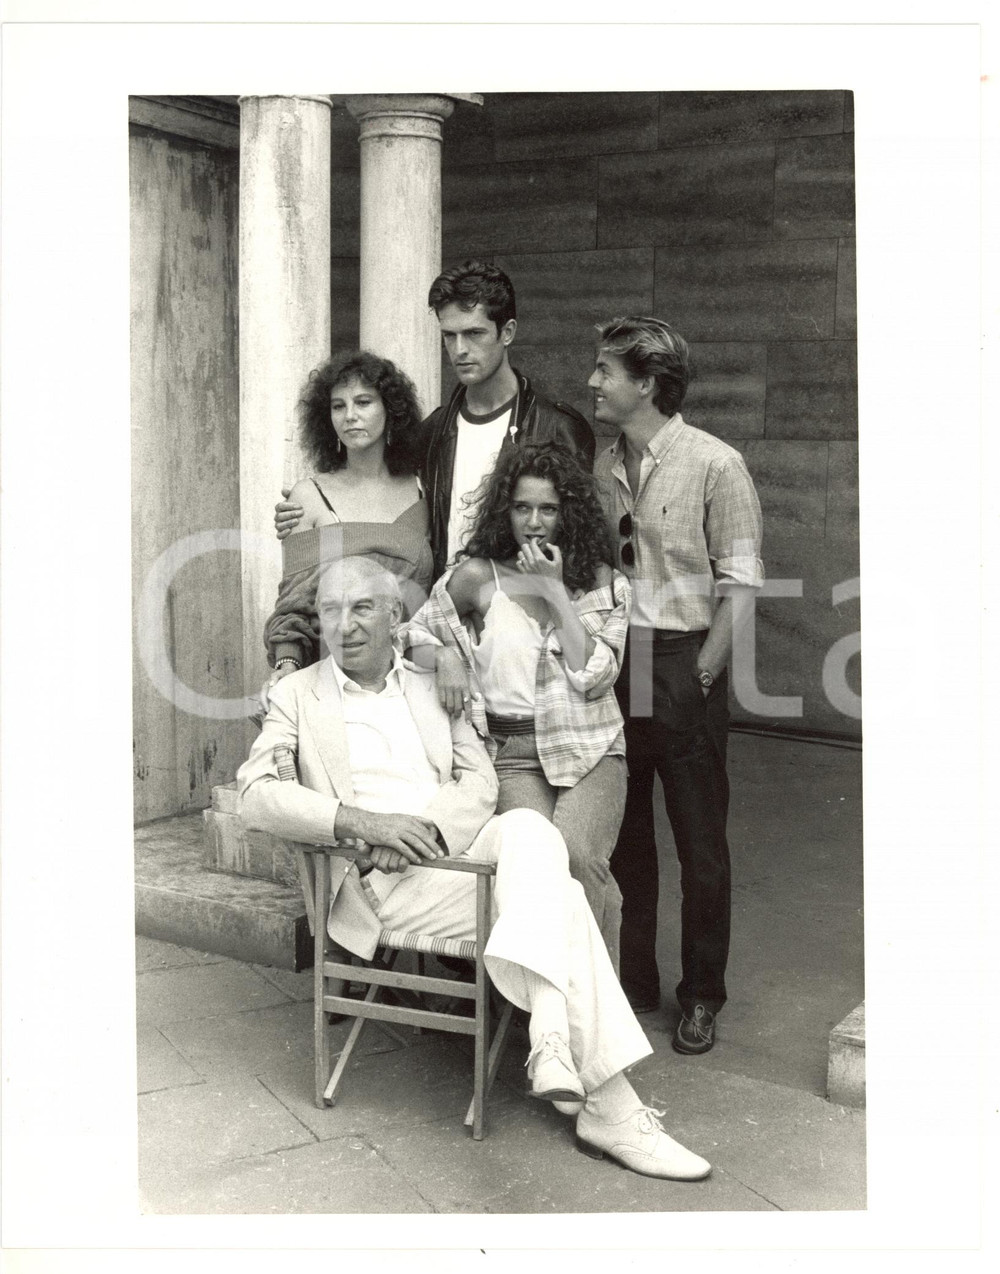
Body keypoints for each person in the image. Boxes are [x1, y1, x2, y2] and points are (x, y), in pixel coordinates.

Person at [238, 555, 711, 1182]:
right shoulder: (297, 694)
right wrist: (363, 823)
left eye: (361, 608)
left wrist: (428, 830)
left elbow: (481, 781)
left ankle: (553, 1042)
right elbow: (255, 793)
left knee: (529, 830)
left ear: (395, 617)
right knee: (562, 897)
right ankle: (603, 1099)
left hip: (451, 860)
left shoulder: (434, 685)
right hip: (373, 885)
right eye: (330, 610)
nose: (344, 626)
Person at [590, 316, 764, 1056]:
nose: (594, 382)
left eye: (605, 370)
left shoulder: (716, 465)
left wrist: (701, 671)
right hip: (617, 663)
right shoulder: (603, 465)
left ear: (647, 384)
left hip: (685, 661)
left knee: (700, 844)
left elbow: (743, 583)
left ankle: (700, 996)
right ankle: (633, 985)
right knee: (626, 838)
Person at [406, 441, 630, 970]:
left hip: (591, 748)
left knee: (577, 856)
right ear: (504, 511)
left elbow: (597, 676)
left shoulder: (602, 582)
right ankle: (545, 1011)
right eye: (522, 507)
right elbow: (406, 634)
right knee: (538, 865)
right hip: (509, 754)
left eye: (548, 509)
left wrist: (554, 592)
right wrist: (443, 655)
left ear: (567, 512)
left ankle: (587, 1021)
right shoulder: (477, 577)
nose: (533, 522)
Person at [273, 262, 595, 578]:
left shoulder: (559, 428)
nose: (460, 350)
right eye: (449, 336)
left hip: (526, 609)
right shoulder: (432, 432)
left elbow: (582, 542)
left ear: (507, 332)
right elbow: (379, 493)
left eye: (474, 334)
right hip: (440, 616)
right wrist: (305, 507)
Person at [263, 351, 434, 696]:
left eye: (363, 402)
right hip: (330, 681)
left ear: (390, 410)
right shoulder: (308, 496)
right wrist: (286, 667)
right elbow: (293, 607)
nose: (350, 416)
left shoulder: (425, 492)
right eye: (338, 406)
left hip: (412, 678)